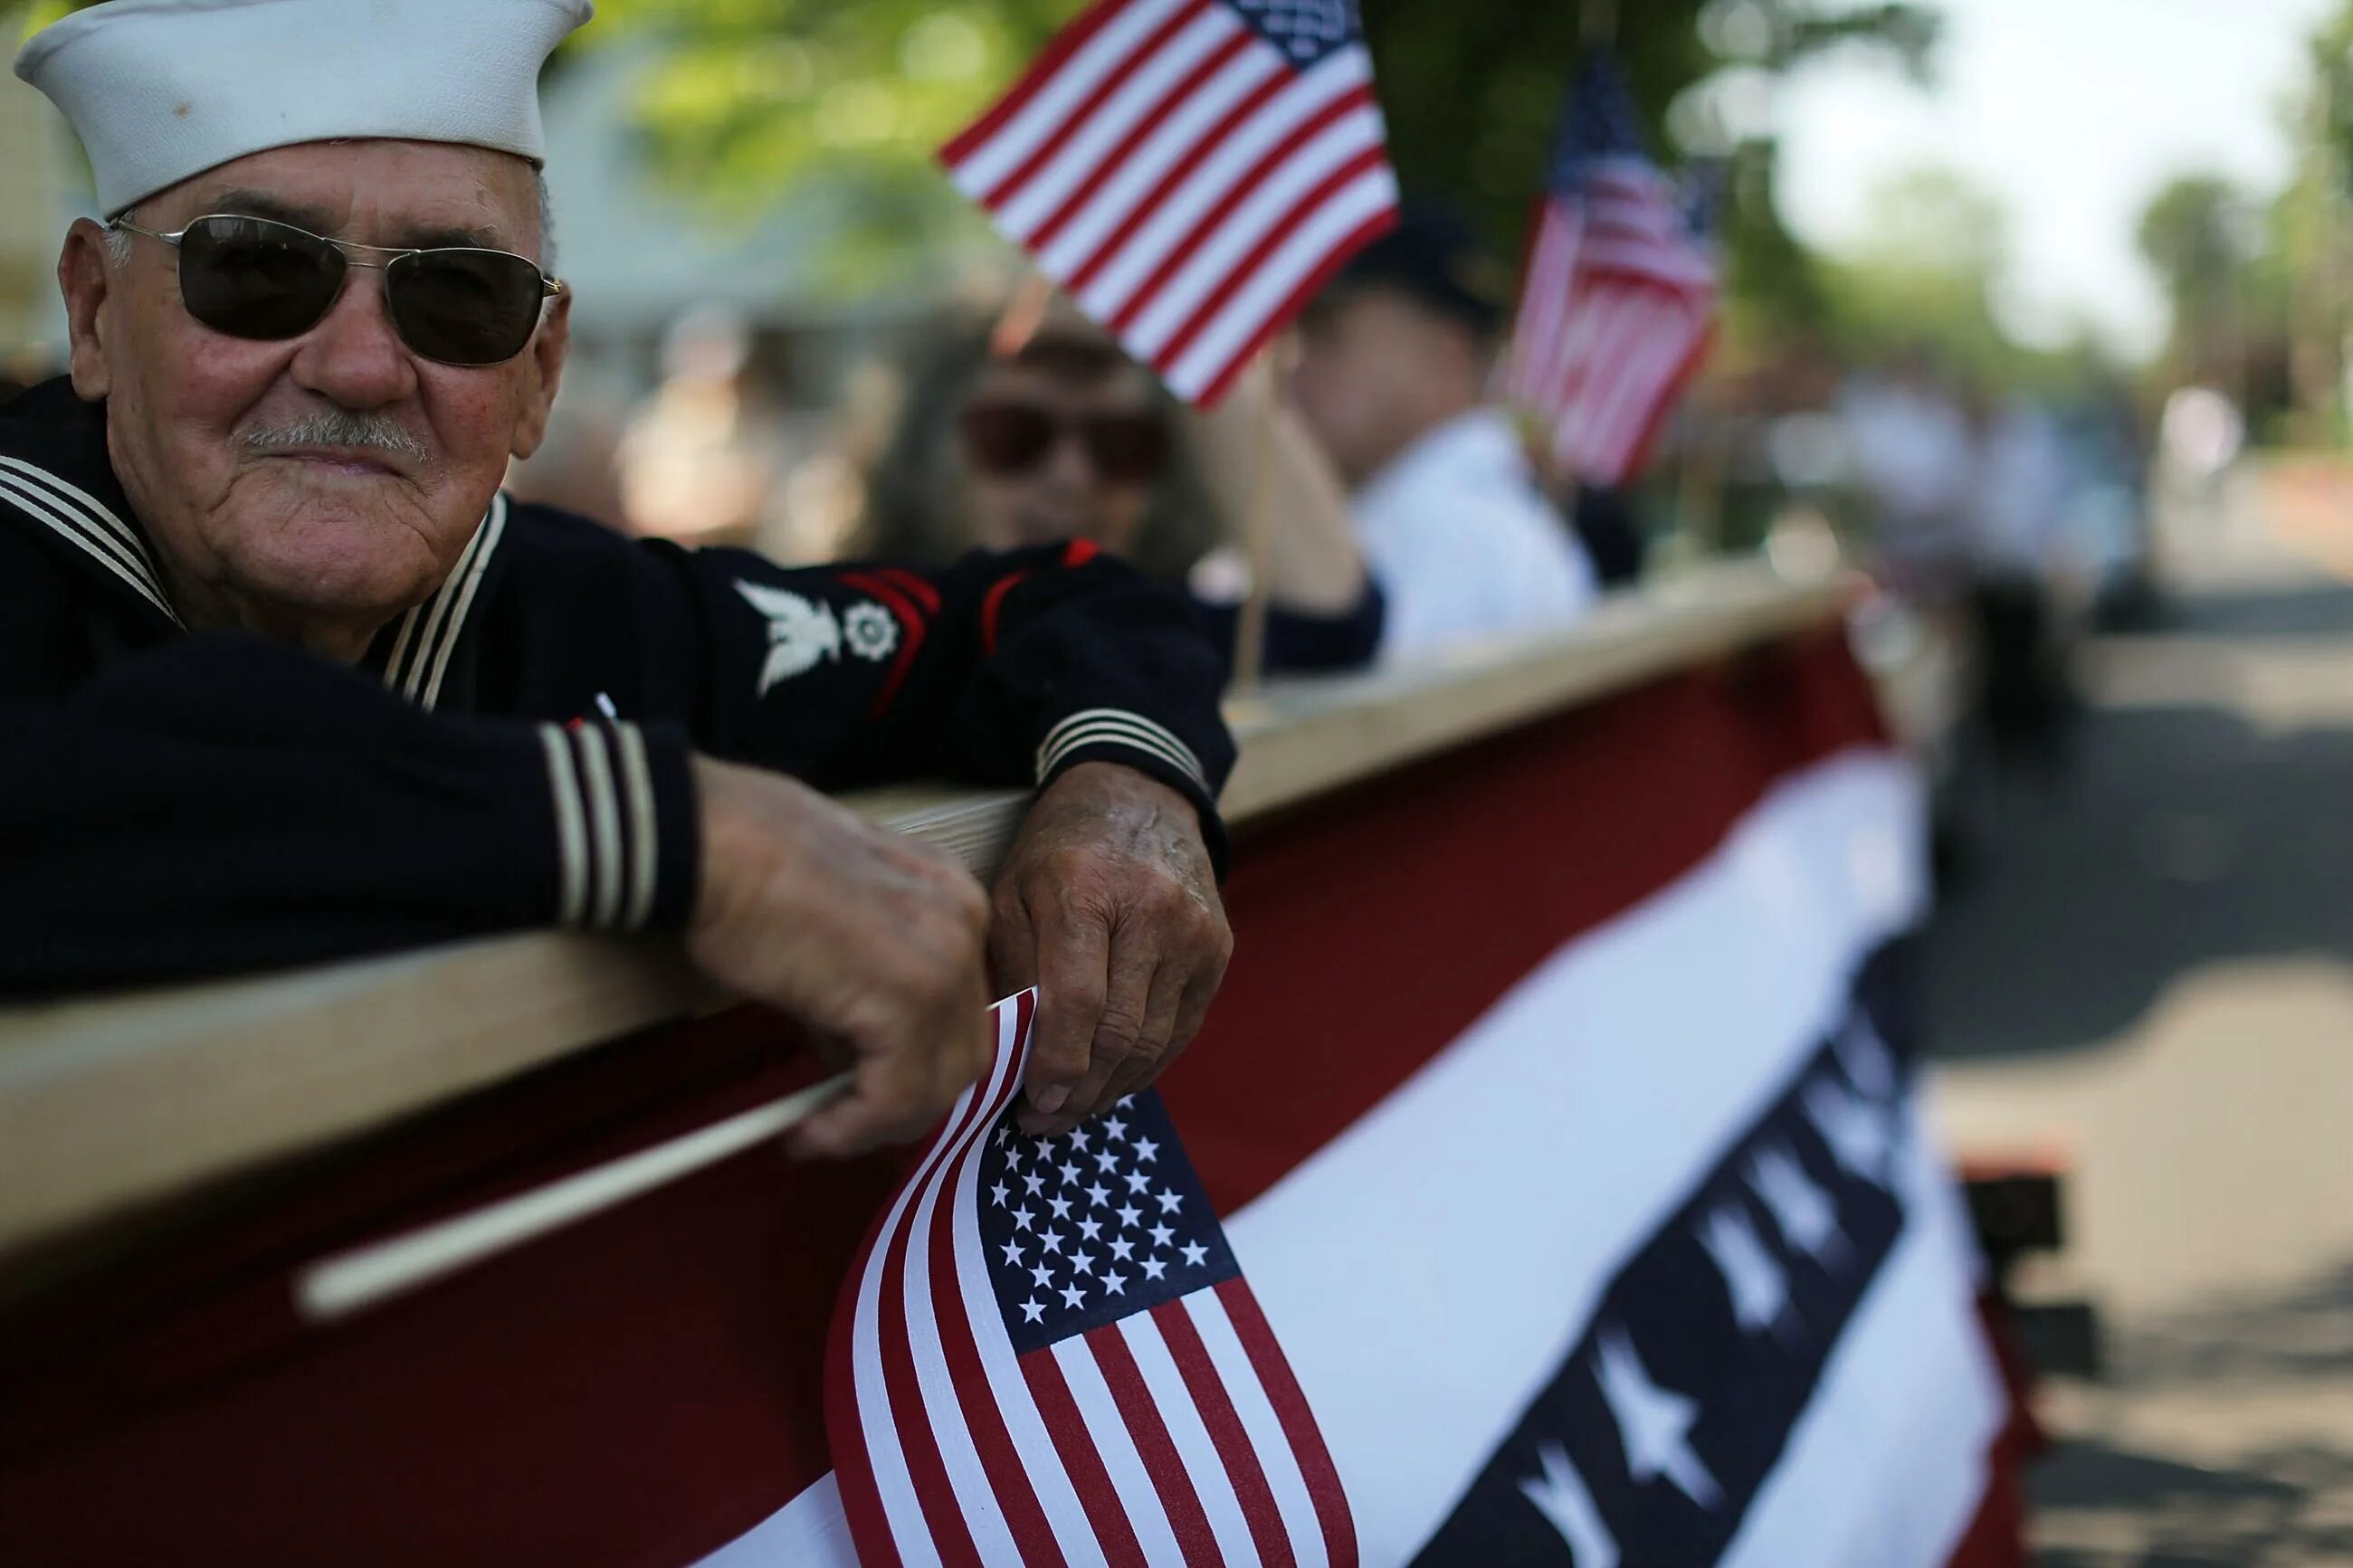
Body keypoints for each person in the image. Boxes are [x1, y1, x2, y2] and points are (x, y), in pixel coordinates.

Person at [3, 0, 1234, 1155]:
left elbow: (1063, 606)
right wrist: (674, 833)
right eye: (259, 271)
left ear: (541, 373)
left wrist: (1123, 783)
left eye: (457, 293)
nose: (362, 367)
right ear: (97, 314)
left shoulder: (599, 620)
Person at [858, 293, 1384, 678]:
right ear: (930, 450)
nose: (1071, 477)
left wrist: (1179, 326)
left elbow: (1331, 624)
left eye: (1119, 446)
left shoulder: (1137, 635)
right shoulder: (859, 629)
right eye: (1015, 436)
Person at [1289, 208, 1599, 656]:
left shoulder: (1448, 538)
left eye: (1328, 334)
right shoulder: (1482, 522)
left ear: (1447, 355)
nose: (1298, 368)